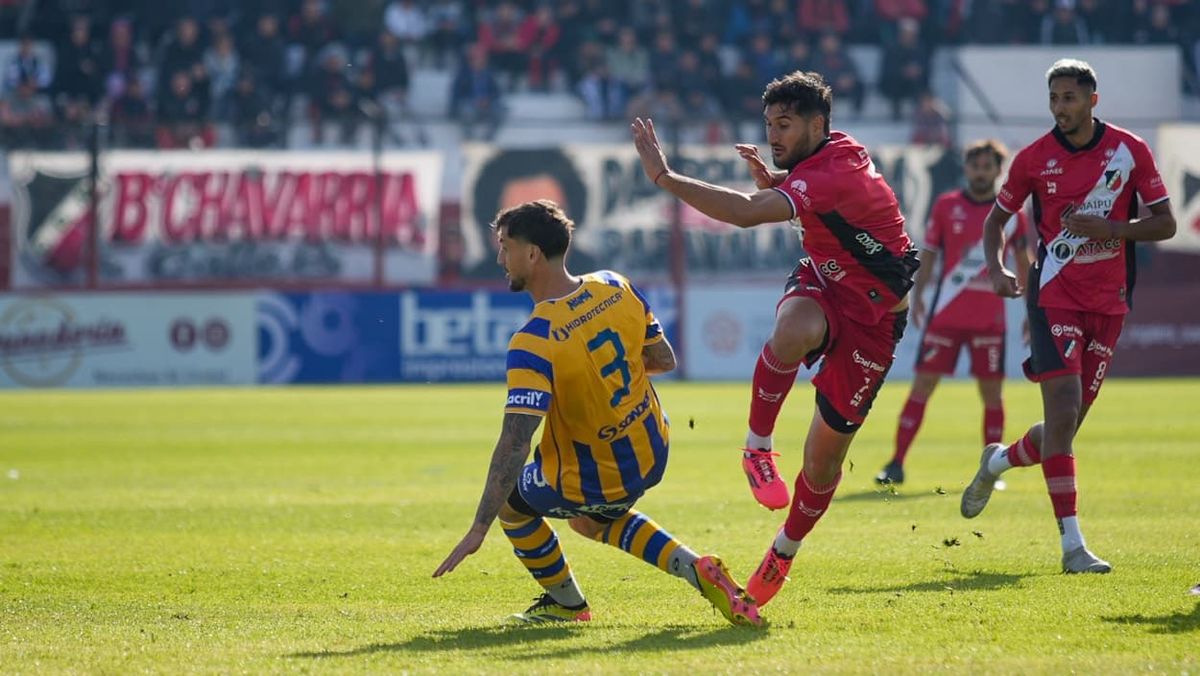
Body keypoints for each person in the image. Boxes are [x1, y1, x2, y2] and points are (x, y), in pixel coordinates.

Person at [632, 70, 919, 607]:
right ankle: (757, 448)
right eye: (769, 124)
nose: (773, 135)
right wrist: (782, 184)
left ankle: (784, 549)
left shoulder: (828, 173)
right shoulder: (835, 151)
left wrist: (666, 178)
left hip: (876, 325)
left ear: (818, 124)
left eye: (785, 124)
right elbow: (822, 203)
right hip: (825, 282)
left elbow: (744, 214)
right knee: (794, 330)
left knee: (822, 464)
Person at [432, 200, 761, 627]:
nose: (499, 258)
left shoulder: (533, 340)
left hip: (596, 473)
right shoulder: (614, 285)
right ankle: (697, 569)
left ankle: (567, 605)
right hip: (651, 449)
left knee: (512, 506)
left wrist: (479, 526)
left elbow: (515, 442)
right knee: (590, 522)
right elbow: (663, 359)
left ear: (531, 254)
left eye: (505, 246)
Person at [959, 59, 1175, 574]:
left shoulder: (1129, 151)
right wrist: (996, 268)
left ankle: (997, 461)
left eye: (1070, 98)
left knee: (1064, 427)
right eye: (1054, 98)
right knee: (1061, 412)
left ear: (1092, 100)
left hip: (1109, 301)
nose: (1060, 107)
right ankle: (1073, 546)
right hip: (1052, 295)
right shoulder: (1034, 159)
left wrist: (1112, 230)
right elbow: (995, 222)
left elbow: (1166, 224)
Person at [875, 139, 1031, 486]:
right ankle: (896, 463)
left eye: (987, 166)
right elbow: (929, 254)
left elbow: (1023, 261)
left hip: (989, 320)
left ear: (998, 170)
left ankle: (990, 471)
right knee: (922, 386)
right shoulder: (947, 206)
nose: (980, 172)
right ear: (966, 168)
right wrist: (917, 296)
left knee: (992, 394)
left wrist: (1031, 313)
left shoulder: (1013, 215)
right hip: (946, 315)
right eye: (975, 166)